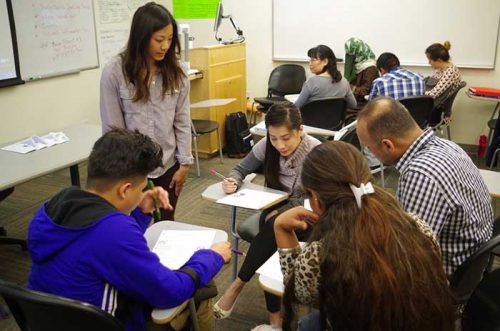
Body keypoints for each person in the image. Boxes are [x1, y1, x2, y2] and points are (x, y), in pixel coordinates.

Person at [27, 128, 231, 331]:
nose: (144, 192)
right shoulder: (114, 233)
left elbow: (101, 237)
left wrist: (140, 211)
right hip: (110, 324)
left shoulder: (53, 207)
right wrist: (212, 256)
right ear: (124, 190)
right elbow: (170, 291)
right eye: (142, 188)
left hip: (52, 321)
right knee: (202, 291)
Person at [273, 141, 455, 331]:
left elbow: (299, 291)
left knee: (306, 325)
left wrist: (281, 229)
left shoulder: (323, 254)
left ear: (316, 198)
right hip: (418, 321)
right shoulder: (416, 226)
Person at [356, 97, 494, 275]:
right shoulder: (448, 145)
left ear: (387, 145)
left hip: (446, 280)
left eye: (368, 147)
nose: (369, 153)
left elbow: (407, 257)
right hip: (473, 259)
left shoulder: (420, 175)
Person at [213, 103, 321, 329]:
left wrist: (286, 208)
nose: (279, 145)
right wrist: (232, 180)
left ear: (300, 129)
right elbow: (241, 169)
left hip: (308, 216)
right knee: (273, 227)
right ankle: (274, 317)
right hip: (273, 208)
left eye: (286, 138)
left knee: (274, 228)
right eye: (273, 138)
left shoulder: (316, 152)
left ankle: (238, 286)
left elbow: (322, 199)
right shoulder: (267, 145)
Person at [100, 2, 193, 221]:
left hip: (168, 165)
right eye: (159, 40)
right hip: (132, 171)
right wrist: (122, 175)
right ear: (141, 37)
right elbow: (113, 130)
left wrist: (185, 164)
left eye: (170, 40)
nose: (165, 46)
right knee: (132, 230)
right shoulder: (115, 72)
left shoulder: (176, 74)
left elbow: (182, 121)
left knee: (166, 226)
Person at [294, 45, 356, 110]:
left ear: (325, 62)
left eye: (313, 60)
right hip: (335, 120)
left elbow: (296, 107)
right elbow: (353, 105)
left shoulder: (311, 83)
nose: (310, 63)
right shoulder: (344, 82)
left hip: (311, 120)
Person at [344, 37, 379, 107]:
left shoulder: (371, 68)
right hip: (353, 101)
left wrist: (349, 87)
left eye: (351, 54)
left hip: (363, 105)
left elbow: (366, 92)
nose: (349, 57)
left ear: (358, 53)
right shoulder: (356, 65)